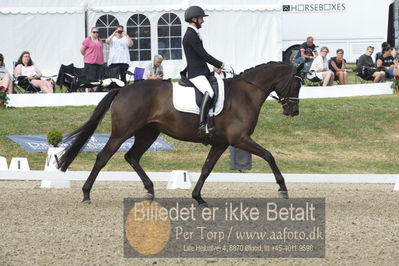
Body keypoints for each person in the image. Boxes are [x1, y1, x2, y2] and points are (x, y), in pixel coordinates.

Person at [182, 5, 232, 137]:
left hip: (202, 71)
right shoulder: (190, 35)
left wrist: (212, 68)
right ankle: (202, 125)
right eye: (201, 18)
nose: (203, 21)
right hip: (195, 73)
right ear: (194, 19)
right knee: (209, 91)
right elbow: (203, 55)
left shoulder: (194, 33)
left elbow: (199, 57)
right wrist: (221, 65)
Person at [80, 27, 104, 91]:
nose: (96, 33)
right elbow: (82, 50)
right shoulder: (87, 40)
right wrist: (88, 56)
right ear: (91, 33)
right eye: (94, 32)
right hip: (90, 63)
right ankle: (88, 92)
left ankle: (96, 92)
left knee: (97, 80)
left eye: (97, 32)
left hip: (99, 63)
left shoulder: (100, 40)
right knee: (89, 80)